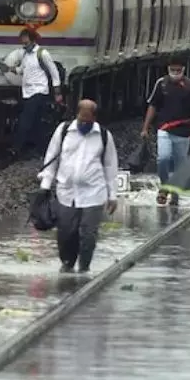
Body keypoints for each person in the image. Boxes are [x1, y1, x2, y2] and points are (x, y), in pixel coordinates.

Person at [38, 100, 118, 274]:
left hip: (94, 193)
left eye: (88, 122)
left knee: (88, 234)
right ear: (76, 116)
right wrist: (45, 186)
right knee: (66, 233)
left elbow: (110, 166)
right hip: (66, 192)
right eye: (81, 120)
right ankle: (67, 264)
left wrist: (113, 195)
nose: (84, 125)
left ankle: (84, 269)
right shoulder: (64, 131)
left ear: (95, 119)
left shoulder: (104, 136)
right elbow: (51, 158)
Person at [140, 56, 190, 207]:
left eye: (178, 70)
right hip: (164, 129)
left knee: (180, 165)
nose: (175, 72)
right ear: (168, 70)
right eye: (172, 70)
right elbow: (153, 106)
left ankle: (175, 193)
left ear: (184, 70)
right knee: (163, 158)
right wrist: (145, 127)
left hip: (183, 132)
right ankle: (164, 187)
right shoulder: (161, 84)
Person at [5, 28, 63, 158]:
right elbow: (22, 70)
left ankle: (16, 148)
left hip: (39, 91)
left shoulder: (42, 54)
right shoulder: (26, 55)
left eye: (26, 43)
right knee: (37, 123)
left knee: (25, 119)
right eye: (23, 43)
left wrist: (57, 92)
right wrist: (9, 69)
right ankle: (43, 150)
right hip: (27, 92)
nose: (24, 45)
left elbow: (54, 72)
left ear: (33, 40)